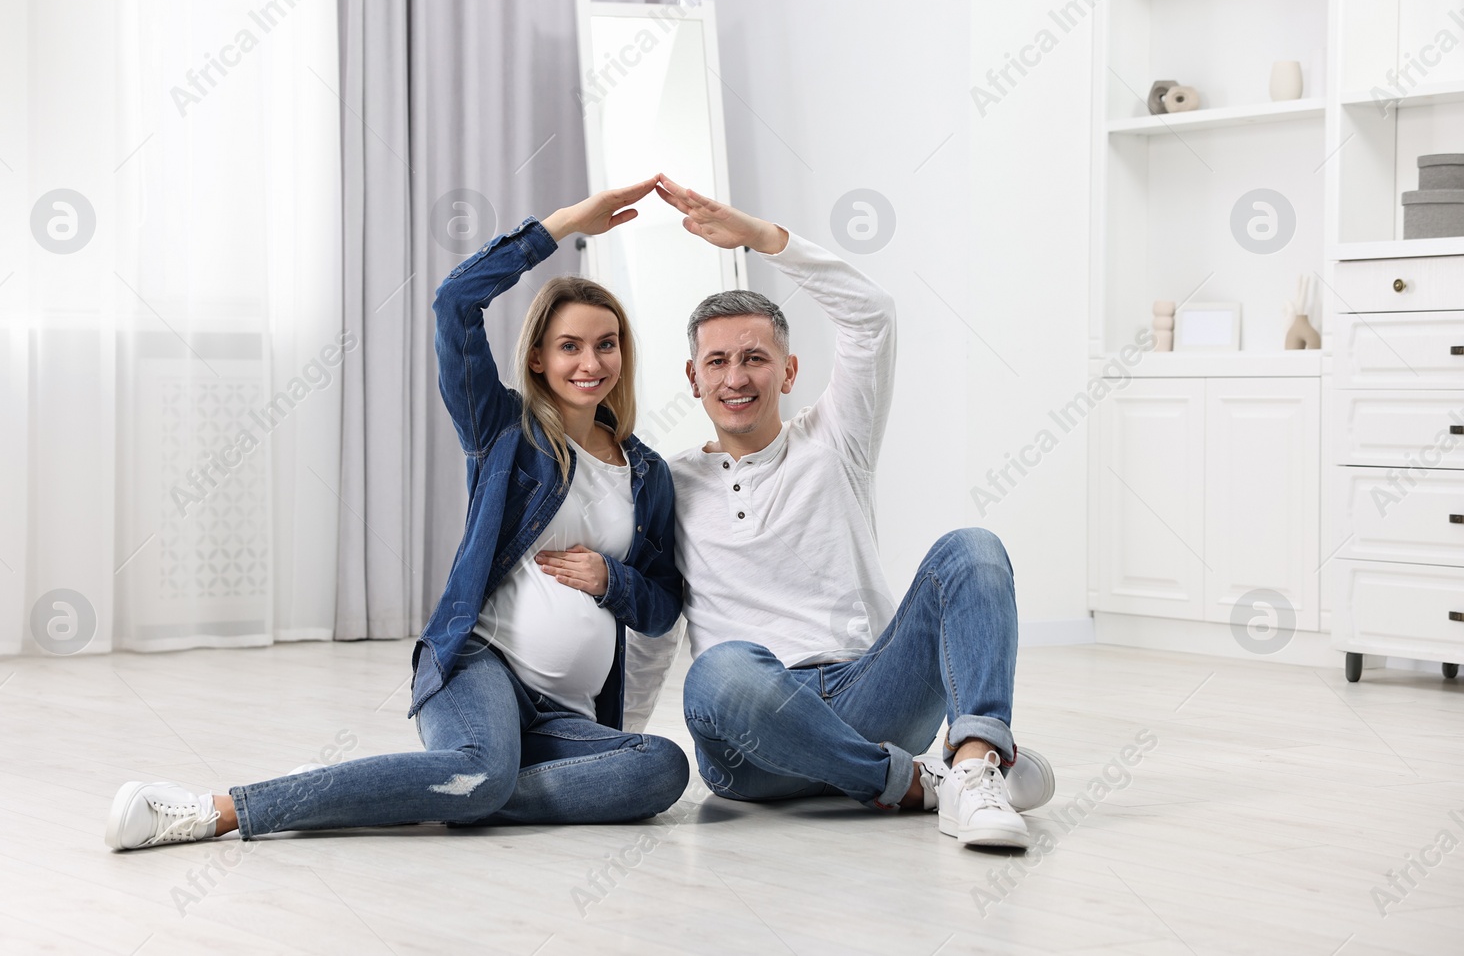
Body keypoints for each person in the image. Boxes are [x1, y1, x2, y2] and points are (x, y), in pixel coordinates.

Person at [105, 177, 690, 850]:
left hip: (566, 715)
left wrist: (610, 580)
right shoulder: (502, 429)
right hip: (480, 667)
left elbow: (662, 606)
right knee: (480, 771)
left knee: (658, 767)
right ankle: (222, 808)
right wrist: (559, 225)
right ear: (537, 356)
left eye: (607, 343)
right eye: (570, 345)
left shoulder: (646, 474)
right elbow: (454, 301)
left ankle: (400, 791)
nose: (592, 361)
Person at [624, 175, 1054, 849]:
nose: (736, 377)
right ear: (693, 378)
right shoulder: (667, 482)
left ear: (789, 371)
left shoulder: (833, 438)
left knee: (972, 547)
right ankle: (921, 780)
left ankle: (970, 765)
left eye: (755, 358)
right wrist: (618, 741)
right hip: (750, 739)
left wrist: (762, 238)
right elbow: (654, 628)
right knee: (717, 669)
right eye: (718, 361)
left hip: (868, 697)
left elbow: (871, 313)